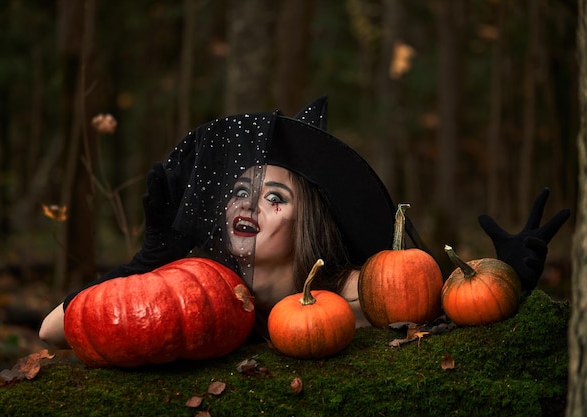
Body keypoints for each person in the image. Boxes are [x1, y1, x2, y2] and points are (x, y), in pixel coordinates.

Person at [39, 97, 570, 348]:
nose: (249, 206)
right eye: (239, 193)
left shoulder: (360, 293)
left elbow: (448, 304)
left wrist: (510, 281)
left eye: (274, 198)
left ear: (308, 220)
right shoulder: (193, 286)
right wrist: (149, 260)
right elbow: (54, 329)